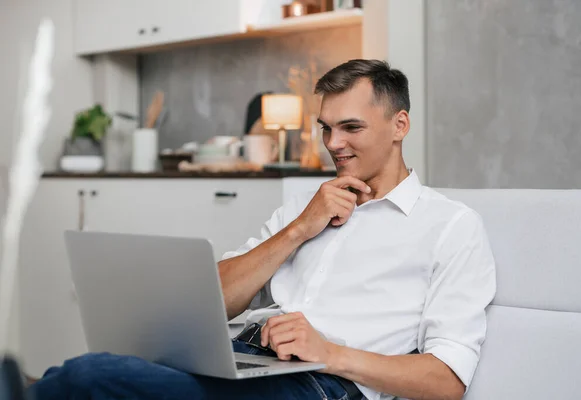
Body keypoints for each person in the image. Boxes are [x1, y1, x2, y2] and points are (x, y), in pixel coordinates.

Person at [29, 59, 496, 400]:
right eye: (326, 128)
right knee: (106, 370)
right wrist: (299, 229)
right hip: (241, 359)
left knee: (92, 378)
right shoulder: (303, 208)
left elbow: (447, 380)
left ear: (400, 125)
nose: (333, 144)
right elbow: (212, 299)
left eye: (350, 127)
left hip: (323, 385)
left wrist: (328, 352)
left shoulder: (450, 227)